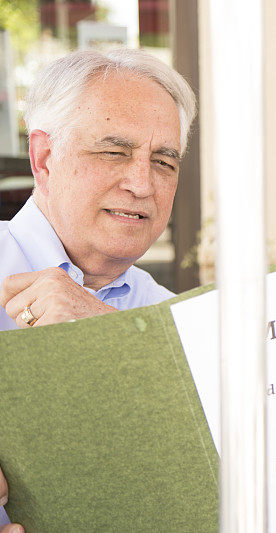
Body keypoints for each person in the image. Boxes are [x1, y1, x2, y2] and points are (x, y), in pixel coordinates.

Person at [0, 48, 197, 532]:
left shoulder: (173, 321)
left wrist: (111, 339)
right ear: (44, 158)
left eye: (164, 162)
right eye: (114, 151)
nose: (142, 184)